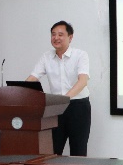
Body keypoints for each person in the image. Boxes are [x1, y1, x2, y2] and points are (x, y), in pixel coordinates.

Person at [26, 20, 91, 156]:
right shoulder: (46, 57)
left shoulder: (80, 55)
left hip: (78, 107)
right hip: (56, 109)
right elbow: (33, 77)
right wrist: (19, 91)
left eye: (60, 34)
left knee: (78, 151)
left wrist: (64, 99)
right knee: (52, 152)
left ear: (70, 37)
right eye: (53, 34)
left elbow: (83, 81)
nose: (56, 38)